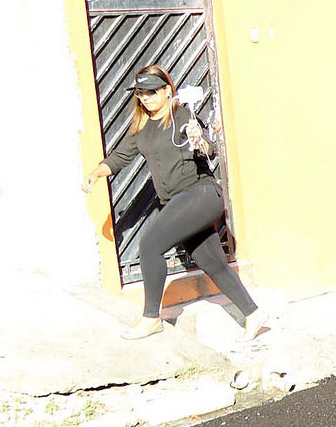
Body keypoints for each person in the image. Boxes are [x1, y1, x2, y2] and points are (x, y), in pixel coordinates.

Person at [83, 66, 267, 342]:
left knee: (149, 245)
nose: (146, 98)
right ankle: (253, 314)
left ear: (168, 91)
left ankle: (151, 318)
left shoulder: (183, 115)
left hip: (201, 195)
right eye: (140, 94)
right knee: (211, 262)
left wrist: (198, 138)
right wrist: (95, 174)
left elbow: (208, 148)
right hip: (181, 204)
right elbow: (118, 158)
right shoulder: (142, 130)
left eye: (152, 92)